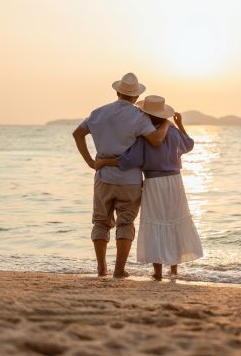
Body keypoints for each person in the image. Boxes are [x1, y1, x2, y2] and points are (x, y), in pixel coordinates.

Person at [72, 73, 171, 278]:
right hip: (130, 179)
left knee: (100, 222)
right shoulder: (139, 116)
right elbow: (155, 141)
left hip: (103, 176)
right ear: (136, 97)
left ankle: (101, 269)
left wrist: (91, 162)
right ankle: (119, 270)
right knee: (125, 223)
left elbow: (78, 133)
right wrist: (166, 124)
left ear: (117, 92)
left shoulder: (98, 112)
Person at [96, 95, 203, 281]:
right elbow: (189, 145)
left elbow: (130, 160)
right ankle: (174, 270)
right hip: (175, 182)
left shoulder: (145, 136)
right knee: (174, 220)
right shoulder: (174, 132)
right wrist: (179, 124)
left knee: (156, 222)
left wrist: (105, 161)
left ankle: (158, 273)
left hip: (154, 183)